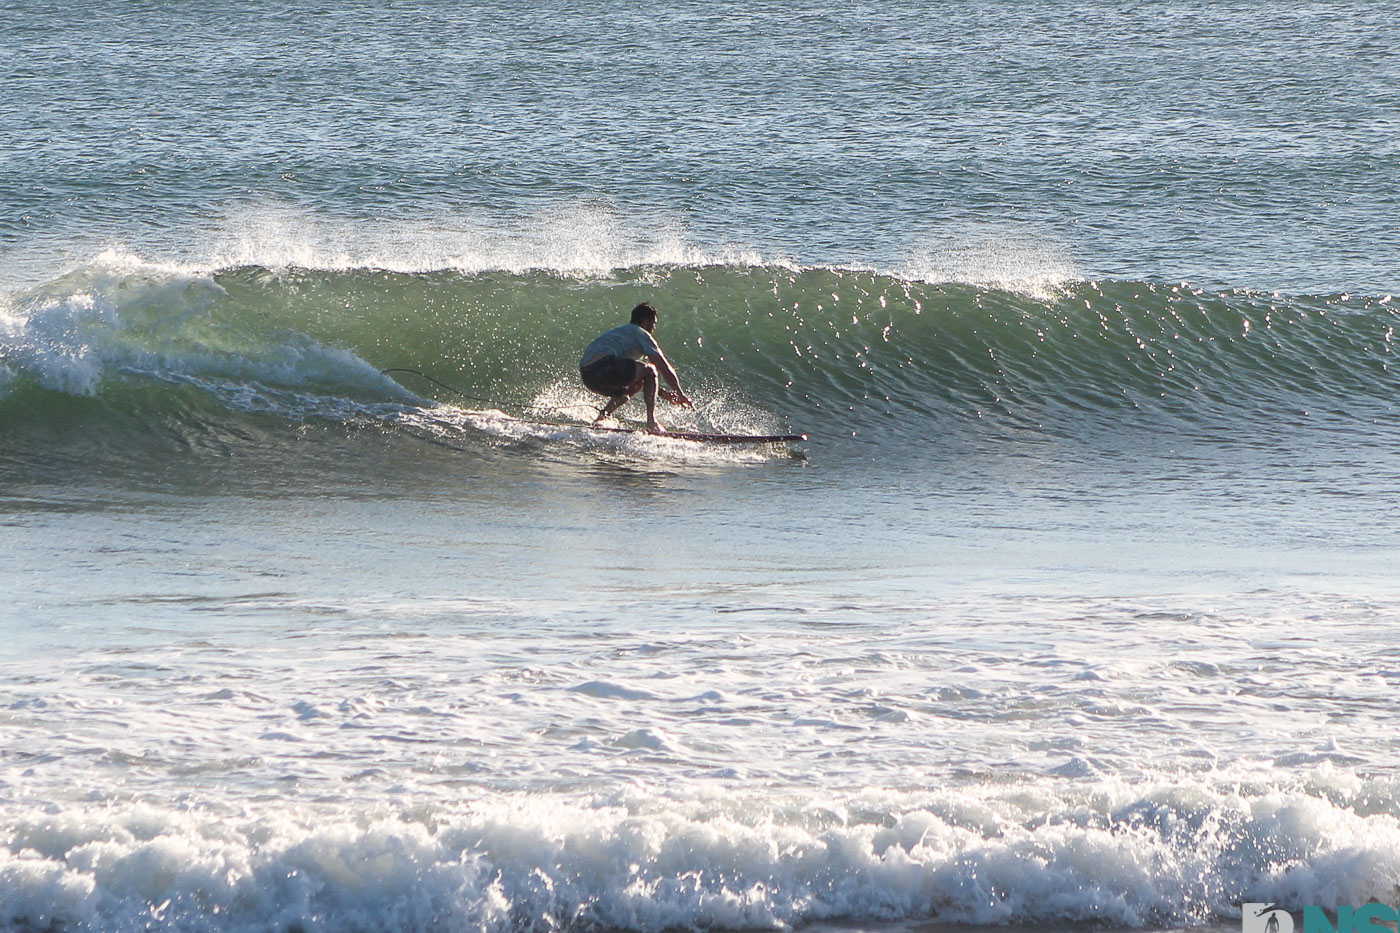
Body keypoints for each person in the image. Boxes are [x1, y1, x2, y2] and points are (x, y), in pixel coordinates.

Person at [580, 302, 692, 434]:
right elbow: (664, 368)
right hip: (603, 366)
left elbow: (641, 378)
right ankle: (652, 422)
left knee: (635, 384)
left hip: (587, 375)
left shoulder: (619, 332)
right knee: (651, 370)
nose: (653, 327)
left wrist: (662, 393)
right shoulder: (641, 334)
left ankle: (601, 418)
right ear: (645, 321)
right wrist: (681, 394)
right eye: (653, 323)